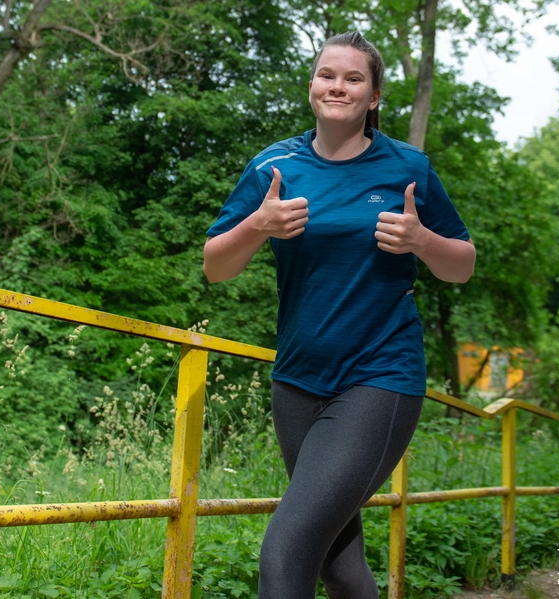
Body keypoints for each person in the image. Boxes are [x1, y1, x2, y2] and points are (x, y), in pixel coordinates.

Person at [202, 31, 475, 599]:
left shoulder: (408, 168)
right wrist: (258, 226)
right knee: (338, 562)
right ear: (311, 86)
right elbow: (215, 266)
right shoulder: (273, 166)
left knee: (288, 545)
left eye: (354, 79)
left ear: (373, 97)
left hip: (380, 378)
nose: (338, 86)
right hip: (297, 380)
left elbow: (462, 266)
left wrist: (422, 238)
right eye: (328, 74)